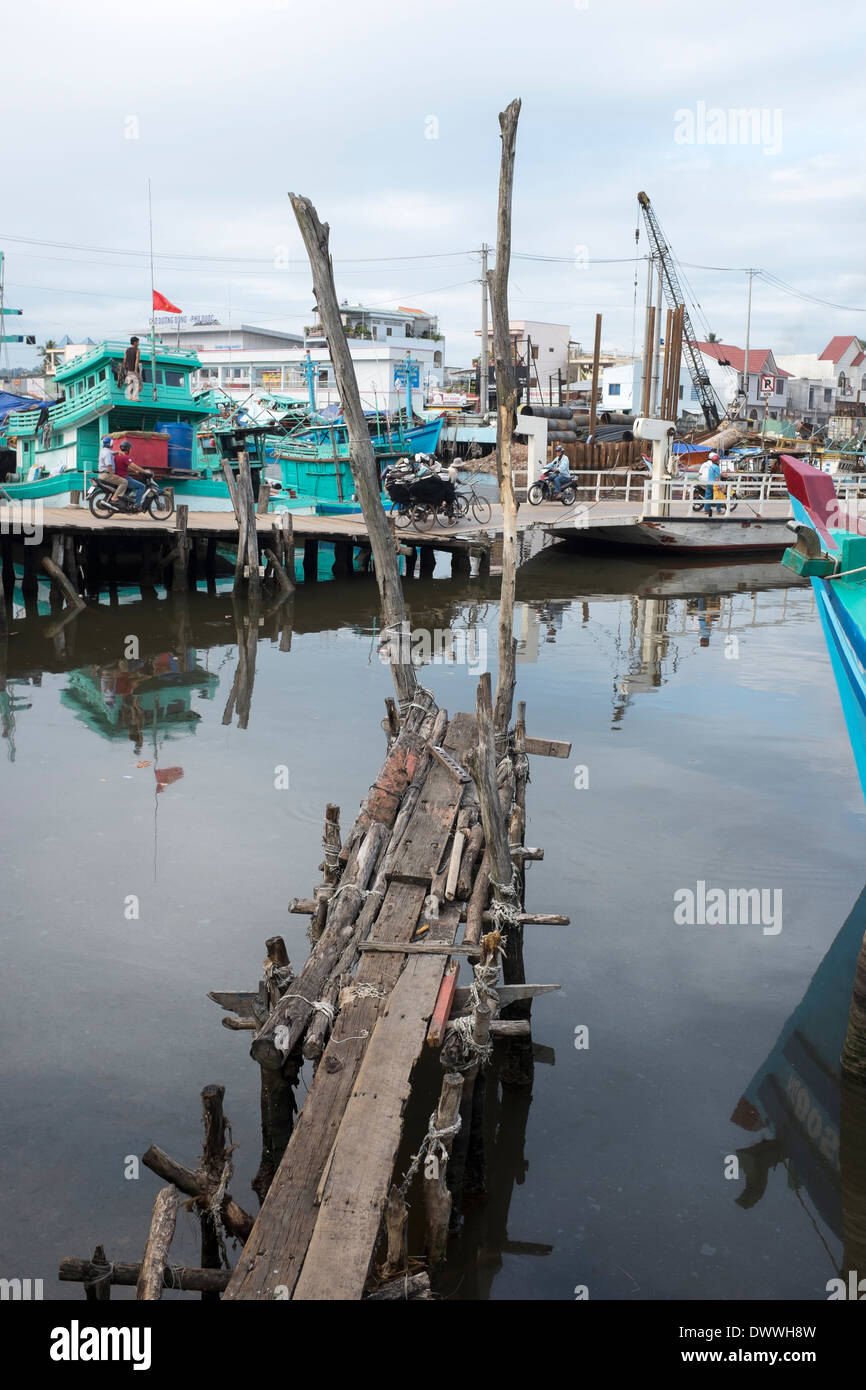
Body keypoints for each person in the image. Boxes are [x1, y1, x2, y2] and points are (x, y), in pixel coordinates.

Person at [115, 440, 148, 507]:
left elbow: (125, 466)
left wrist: (135, 471)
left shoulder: (117, 456)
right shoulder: (125, 457)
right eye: (130, 448)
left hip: (118, 476)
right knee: (142, 486)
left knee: (131, 485)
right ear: (127, 449)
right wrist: (144, 471)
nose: (131, 450)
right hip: (124, 477)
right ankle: (136, 505)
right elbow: (133, 465)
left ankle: (125, 500)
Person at [98, 434, 129, 503]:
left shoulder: (103, 451)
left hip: (101, 474)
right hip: (107, 475)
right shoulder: (108, 454)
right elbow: (109, 465)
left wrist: (118, 452)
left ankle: (113, 496)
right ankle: (115, 498)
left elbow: (112, 452)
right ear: (111, 443)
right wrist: (112, 475)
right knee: (124, 482)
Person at [699, 451, 723, 517]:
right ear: (717, 461)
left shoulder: (711, 466)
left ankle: (706, 510)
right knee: (718, 497)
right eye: (718, 460)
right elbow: (717, 477)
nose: (719, 461)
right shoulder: (717, 467)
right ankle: (718, 511)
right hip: (714, 484)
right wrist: (718, 485)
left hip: (708, 483)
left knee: (708, 497)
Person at [123, 337, 142, 401]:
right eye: (138, 342)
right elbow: (137, 360)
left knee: (130, 384)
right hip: (134, 370)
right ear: (135, 342)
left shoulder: (127, 350)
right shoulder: (137, 350)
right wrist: (136, 370)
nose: (138, 343)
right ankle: (135, 397)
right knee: (138, 384)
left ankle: (131, 397)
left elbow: (125, 360)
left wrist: (125, 368)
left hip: (128, 371)